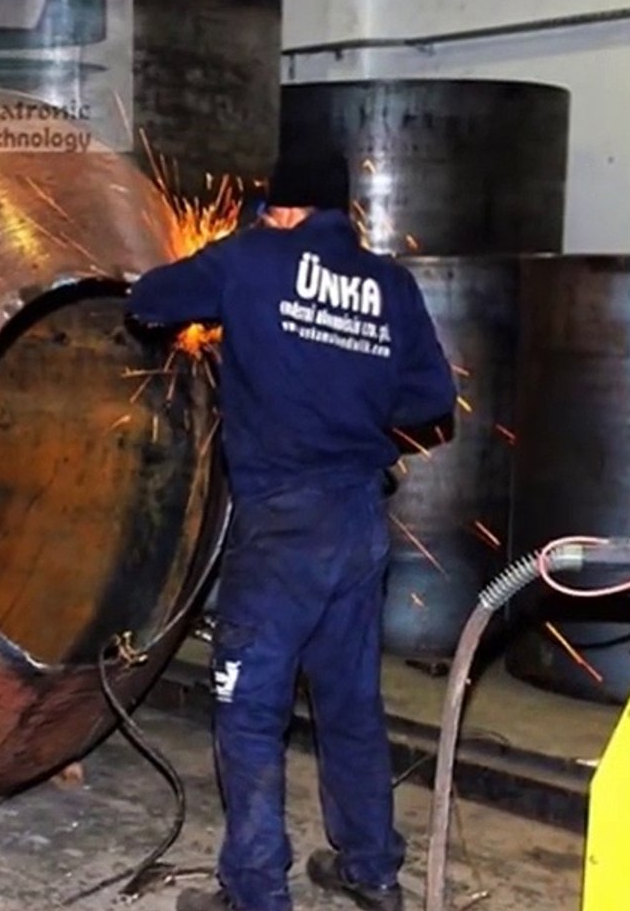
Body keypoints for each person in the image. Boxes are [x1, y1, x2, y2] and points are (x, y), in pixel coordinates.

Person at [124, 149, 459, 911]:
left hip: (281, 526)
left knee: (249, 709)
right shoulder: (390, 283)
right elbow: (431, 397)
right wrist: (348, 396)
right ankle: (371, 869)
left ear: (279, 208)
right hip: (359, 521)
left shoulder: (252, 259)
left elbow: (149, 300)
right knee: (350, 703)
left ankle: (255, 891)